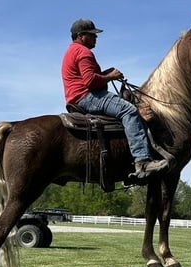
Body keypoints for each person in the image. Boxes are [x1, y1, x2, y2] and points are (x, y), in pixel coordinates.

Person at [62, 18, 168, 178]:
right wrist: (111, 76)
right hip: (87, 96)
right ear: (80, 36)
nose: (95, 38)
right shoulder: (84, 52)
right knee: (130, 110)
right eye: (92, 35)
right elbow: (89, 81)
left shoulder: (71, 51)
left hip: (76, 97)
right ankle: (142, 161)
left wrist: (105, 74)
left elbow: (85, 77)